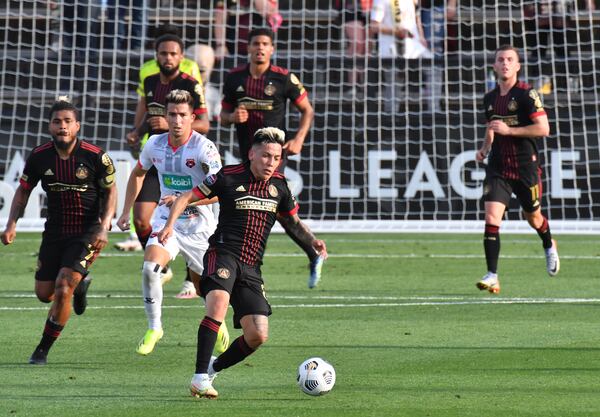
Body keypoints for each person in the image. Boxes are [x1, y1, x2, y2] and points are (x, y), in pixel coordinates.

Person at [156, 127, 328, 398]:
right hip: (222, 253)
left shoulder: (280, 187)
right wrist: (168, 225)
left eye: (276, 157)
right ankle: (200, 376)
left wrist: (313, 242)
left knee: (258, 334)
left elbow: (292, 223)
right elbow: (188, 196)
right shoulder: (227, 176)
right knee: (218, 306)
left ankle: (213, 366)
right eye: (266, 156)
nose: (271, 162)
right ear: (251, 154)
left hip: (251, 267)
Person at [0, 99, 117, 365]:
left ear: (77, 125)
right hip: (54, 231)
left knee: (64, 286)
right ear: (50, 126)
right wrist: (11, 224)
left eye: (67, 121)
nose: (62, 126)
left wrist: (104, 225)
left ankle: (42, 350)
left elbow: (111, 190)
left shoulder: (95, 156)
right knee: (45, 294)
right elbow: (24, 189)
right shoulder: (40, 156)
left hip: (87, 232)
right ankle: (81, 286)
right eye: (57, 121)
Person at [116, 90, 229, 355]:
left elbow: (220, 190)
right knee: (149, 267)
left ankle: (217, 319)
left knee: (206, 289)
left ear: (192, 117)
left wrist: (184, 201)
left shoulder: (204, 148)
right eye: (172, 114)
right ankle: (155, 327)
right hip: (168, 222)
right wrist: (125, 212)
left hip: (201, 227)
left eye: (182, 115)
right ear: (165, 116)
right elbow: (138, 174)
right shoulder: (154, 144)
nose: (177, 120)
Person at [220, 27, 323, 288]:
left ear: (272, 49)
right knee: (272, 209)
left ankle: (250, 272)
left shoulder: (283, 78)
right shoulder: (234, 78)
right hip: (248, 156)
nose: (260, 48)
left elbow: (307, 110)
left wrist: (298, 138)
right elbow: (222, 115)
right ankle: (313, 250)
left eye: (265, 44)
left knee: (265, 205)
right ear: (248, 47)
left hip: (273, 156)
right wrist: (232, 118)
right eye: (256, 43)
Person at [114, 25, 203, 299]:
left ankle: (191, 278)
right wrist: (136, 131)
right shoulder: (150, 79)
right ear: (156, 55)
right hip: (157, 157)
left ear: (181, 56)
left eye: (173, 54)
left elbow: (206, 123)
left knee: (190, 224)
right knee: (141, 219)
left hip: (186, 161)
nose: (168, 58)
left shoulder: (189, 83)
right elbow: (146, 111)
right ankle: (162, 268)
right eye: (163, 53)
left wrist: (169, 124)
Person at [475, 45, 559, 294]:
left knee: (532, 217)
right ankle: (492, 275)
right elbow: (492, 127)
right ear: (494, 65)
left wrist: (510, 131)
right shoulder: (489, 98)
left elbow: (544, 129)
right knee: (491, 218)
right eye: (500, 59)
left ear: (518, 66)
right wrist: (484, 149)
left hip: (525, 168)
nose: (505, 63)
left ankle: (548, 243)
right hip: (498, 167)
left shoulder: (527, 94)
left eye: (510, 60)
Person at [370, 0, 431, 112]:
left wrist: (421, 36)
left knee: (434, 67)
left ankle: (434, 110)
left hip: (414, 45)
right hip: (391, 47)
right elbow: (374, 26)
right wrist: (396, 32)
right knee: (395, 81)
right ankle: (391, 117)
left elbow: (416, 16)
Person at [214, 0, 282, 60]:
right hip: (234, 48)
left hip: (261, 48)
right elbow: (220, 19)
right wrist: (221, 45)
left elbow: (268, 12)